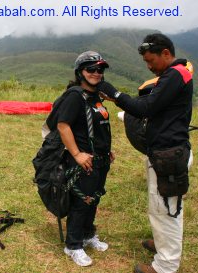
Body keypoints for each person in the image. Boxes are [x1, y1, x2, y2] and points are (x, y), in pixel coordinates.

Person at [96, 34, 193, 273]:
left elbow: (145, 109)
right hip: (165, 152)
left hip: (168, 155)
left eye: (151, 61)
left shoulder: (175, 74)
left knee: (165, 210)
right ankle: (163, 244)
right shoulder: (172, 75)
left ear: (166, 54)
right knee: (165, 207)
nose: (149, 66)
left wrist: (116, 95)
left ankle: (165, 266)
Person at [57, 51, 115, 267]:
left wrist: (106, 150)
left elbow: (98, 126)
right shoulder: (75, 95)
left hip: (100, 160)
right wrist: (77, 154)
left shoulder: (95, 96)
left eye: (100, 69)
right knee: (82, 202)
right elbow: (63, 125)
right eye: (91, 69)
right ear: (80, 72)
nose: (96, 73)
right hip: (83, 162)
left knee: (94, 198)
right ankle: (72, 245)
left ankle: (88, 235)